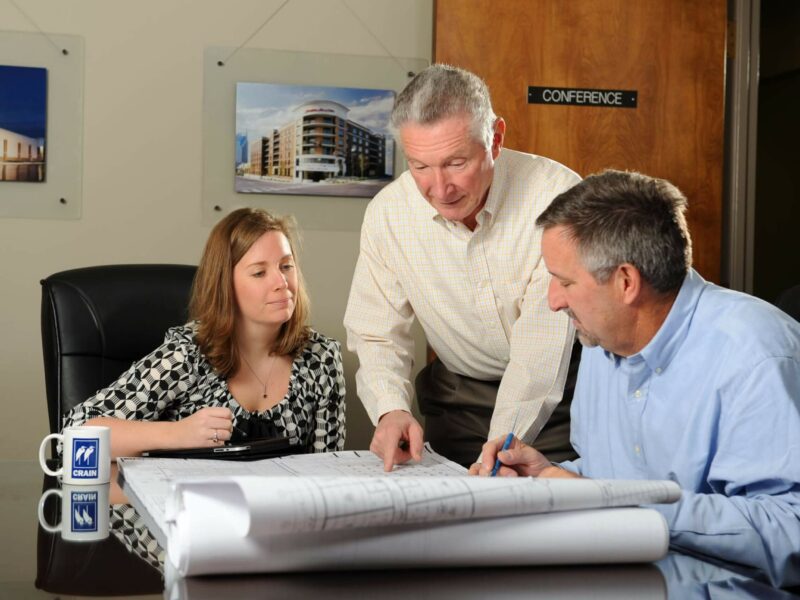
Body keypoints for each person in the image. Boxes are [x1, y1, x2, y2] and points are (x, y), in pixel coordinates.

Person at [472, 170, 800, 587]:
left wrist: (610, 502)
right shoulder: (600, 341)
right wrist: (545, 476)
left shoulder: (757, 354)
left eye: (564, 281)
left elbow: (791, 529)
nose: (552, 301)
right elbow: (616, 471)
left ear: (626, 282)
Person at [344, 64, 581, 469]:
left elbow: (540, 352)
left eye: (456, 163)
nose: (439, 188)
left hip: (561, 399)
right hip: (456, 398)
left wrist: (503, 445)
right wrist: (391, 409)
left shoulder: (557, 198)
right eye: (420, 166)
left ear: (496, 139)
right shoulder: (388, 213)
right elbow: (377, 331)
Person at [64, 208, 346, 457]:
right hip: (185, 515)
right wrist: (177, 434)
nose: (282, 282)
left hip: (281, 515)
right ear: (226, 285)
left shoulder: (321, 358)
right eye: (259, 273)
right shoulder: (188, 353)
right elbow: (73, 435)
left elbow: (326, 471)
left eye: (286, 266)